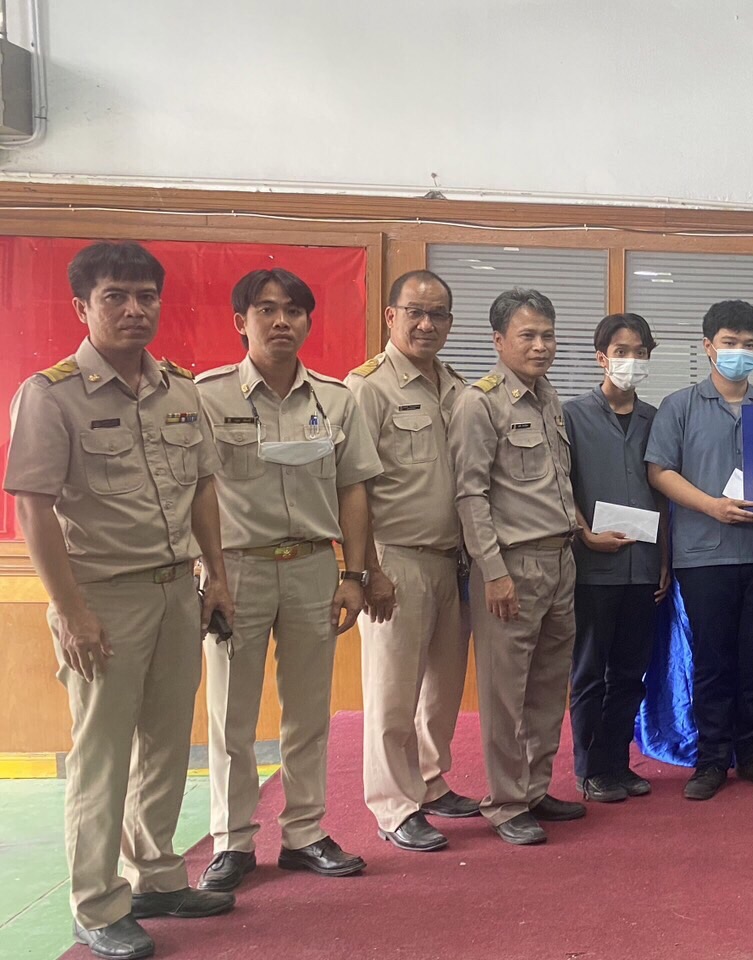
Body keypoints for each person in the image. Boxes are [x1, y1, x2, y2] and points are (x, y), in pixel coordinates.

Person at [6, 241, 237, 960]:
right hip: (103, 598)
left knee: (167, 745)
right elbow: (33, 508)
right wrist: (71, 610)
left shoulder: (180, 390)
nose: (135, 309)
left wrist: (216, 574)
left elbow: (203, 487)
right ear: (83, 306)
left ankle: (157, 877)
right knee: (103, 756)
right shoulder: (51, 395)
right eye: (115, 296)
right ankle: (97, 905)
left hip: (176, 592)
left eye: (146, 296)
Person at [196, 268, 381, 891]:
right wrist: (210, 573)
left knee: (308, 711)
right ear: (240, 321)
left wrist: (354, 573)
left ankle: (304, 833)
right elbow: (193, 490)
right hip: (237, 569)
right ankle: (233, 840)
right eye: (266, 310)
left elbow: (353, 490)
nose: (281, 321)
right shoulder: (207, 396)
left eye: (294, 311)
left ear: (307, 321)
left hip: (311, 568)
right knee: (231, 714)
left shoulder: (336, 399)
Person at [449, 287, 593, 845]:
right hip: (513, 565)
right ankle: (507, 801)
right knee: (505, 692)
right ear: (498, 340)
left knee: (548, 686)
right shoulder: (480, 402)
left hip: (560, 560)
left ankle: (534, 788)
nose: (540, 346)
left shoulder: (548, 397)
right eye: (527, 335)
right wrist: (493, 571)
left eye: (548, 336)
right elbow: (470, 495)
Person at [345, 270, 475, 853]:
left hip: (452, 560)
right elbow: (350, 486)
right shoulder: (368, 387)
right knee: (393, 692)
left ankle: (429, 780)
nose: (427, 324)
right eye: (415, 312)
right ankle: (394, 805)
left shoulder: (456, 386)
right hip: (394, 560)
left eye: (438, 314)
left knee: (441, 691)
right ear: (391, 316)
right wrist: (366, 569)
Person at [646, 299, 753, 800]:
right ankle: (711, 760)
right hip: (704, 555)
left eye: (749, 345)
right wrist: (711, 506)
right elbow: (659, 472)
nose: (739, 352)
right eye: (730, 343)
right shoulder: (679, 406)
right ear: (708, 346)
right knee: (712, 661)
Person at [564, 313, 671, 803]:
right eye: (621, 352)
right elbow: (560, 486)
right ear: (601, 358)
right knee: (590, 672)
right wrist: (584, 533)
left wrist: (664, 558)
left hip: (643, 566)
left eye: (640, 352)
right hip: (593, 567)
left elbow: (663, 494)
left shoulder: (657, 419)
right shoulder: (571, 416)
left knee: (630, 673)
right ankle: (589, 769)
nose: (631, 361)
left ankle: (617, 762)